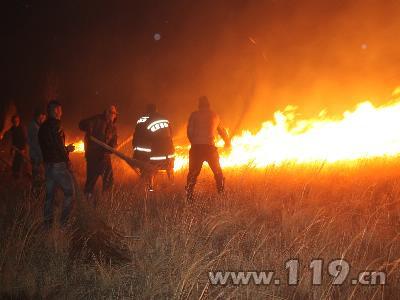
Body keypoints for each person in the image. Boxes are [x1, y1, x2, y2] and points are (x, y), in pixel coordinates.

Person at [185, 96, 231, 201]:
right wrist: (227, 142)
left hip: (196, 148)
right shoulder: (214, 115)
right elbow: (222, 131)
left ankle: (189, 196)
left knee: (192, 174)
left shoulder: (194, 115)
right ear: (209, 104)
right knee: (218, 172)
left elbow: (189, 131)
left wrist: (194, 142)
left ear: (199, 104)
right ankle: (221, 193)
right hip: (210, 148)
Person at [38, 100, 75, 228]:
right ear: (56, 111)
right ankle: (63, 224)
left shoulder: (42, 127)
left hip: (48, 166)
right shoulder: (57, 125)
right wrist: (67, 156)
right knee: (70, 193)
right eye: (60, 109)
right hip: (58, 166)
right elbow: (58, 147)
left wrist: (63, 149)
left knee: (49, 196)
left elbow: (50, 146)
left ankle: (47, 225)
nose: (62, 112)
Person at [132, 103, 174, 191]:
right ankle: (173, 186)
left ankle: (150, 190)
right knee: (169, 169)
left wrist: (136, 153)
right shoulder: (165, 119)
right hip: (169, 153)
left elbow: (139, 138)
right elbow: (171, 134)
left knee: (149, 170)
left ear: (147, 110)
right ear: (156, 110)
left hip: (154, 154)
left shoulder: (143, 120)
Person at [79, 105, 118, 200]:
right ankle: (87, 199)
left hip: (105, 156)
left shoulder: (113, 127)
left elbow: (114, 142)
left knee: (108, 180)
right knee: (91, 180)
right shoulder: (96, 120)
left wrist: (111, 148)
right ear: (106, 113)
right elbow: (81, 124)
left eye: (114, 114)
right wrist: (88, 127)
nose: (113, 115)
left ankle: (105, 200)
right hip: (93, 156)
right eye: (111, 113)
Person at [2, 115, 27, 179]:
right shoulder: (13, 128)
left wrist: (23, 149)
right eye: (14, 121)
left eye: (17, 121)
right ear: (13, 122)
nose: (15, 122)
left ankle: (18, 176)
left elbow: (24, 139)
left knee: (19, 162)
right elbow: (9, 134)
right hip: (14, 147)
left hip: (20, 148)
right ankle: (14, 174)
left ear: (19, 121)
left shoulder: (21, 129)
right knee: (15, 161)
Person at [27, 108, 46, 188]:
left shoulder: (35, 125)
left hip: (36, 155)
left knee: (38, 175)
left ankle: (37, 192)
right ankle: (36, 193)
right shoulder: (34, 127)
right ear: (40, 116)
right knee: (37, 175)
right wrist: (42, 157)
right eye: (43, 117)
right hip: (36, 156)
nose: (44, 119)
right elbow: (36, 144)